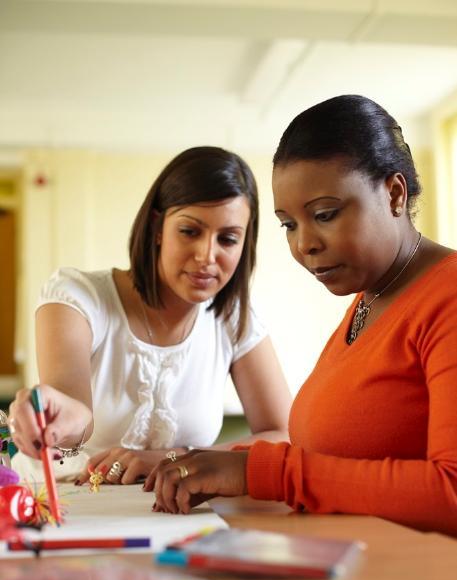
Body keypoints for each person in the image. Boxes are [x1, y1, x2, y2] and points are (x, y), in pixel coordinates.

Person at [147, 96, 457, 537]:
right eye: (288, 224)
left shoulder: (447, 296)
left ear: (393, 194)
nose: (304, 244)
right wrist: (209, 461)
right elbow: (337, 459)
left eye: (325, 215)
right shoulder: (372, 299)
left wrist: (266, 472)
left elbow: (451, 493)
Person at [8, 146, 291, 484]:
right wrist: (58, 415)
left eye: (228, 239)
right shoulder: (78, 297)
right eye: (190, 231)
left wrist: (175, 458)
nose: (206, 255)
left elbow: (284, 434)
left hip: (170, 512)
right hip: (67, 504)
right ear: (158, 227)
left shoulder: (232, 319)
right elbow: (76, 416)